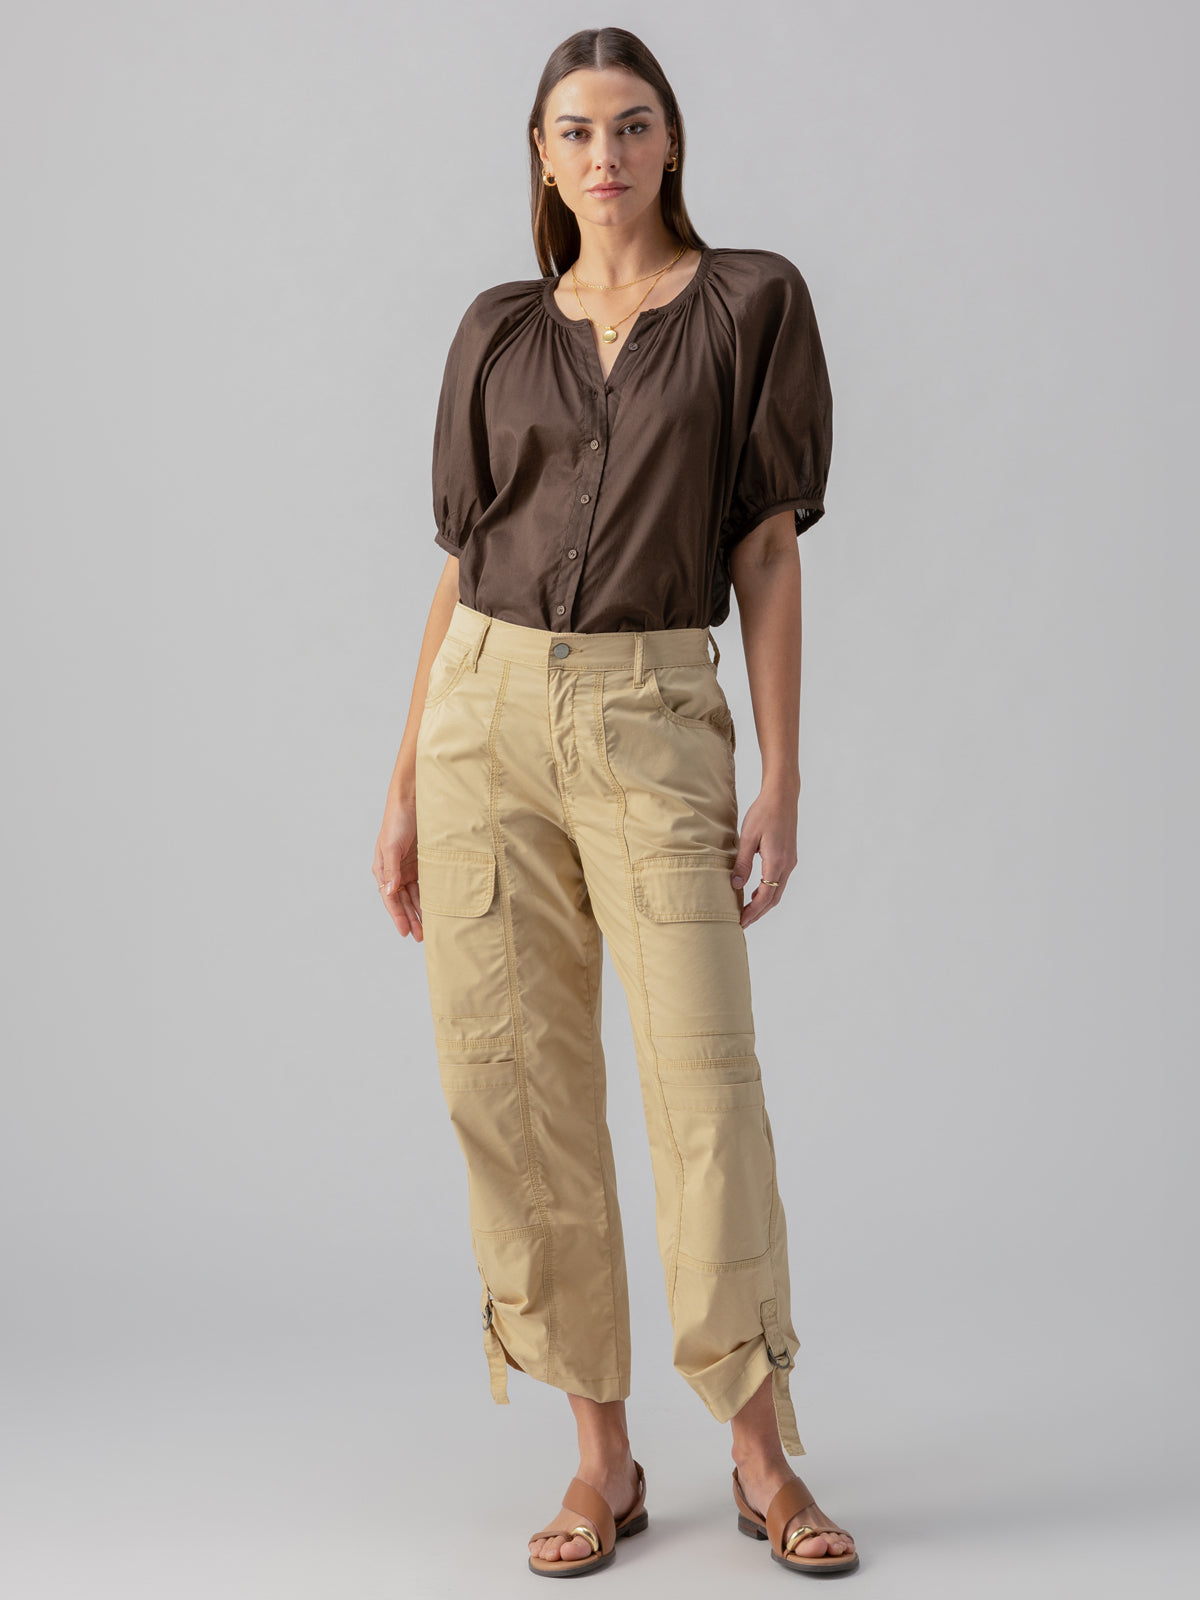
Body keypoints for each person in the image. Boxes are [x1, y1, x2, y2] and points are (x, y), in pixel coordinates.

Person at [373, 25, 858, 1581]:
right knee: (514, 1091)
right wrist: (398, 788)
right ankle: (601, 1458)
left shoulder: (748, 305)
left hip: (654, 714)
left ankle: (763, 1452)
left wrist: (782, 768)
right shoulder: (497, 330)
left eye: (633, 125)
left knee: (703, 1083)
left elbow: (766, 548)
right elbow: (460, 566)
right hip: (483, 720)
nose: (605, 154)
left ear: (672, 145)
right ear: (542, 155)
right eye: (576, 129)